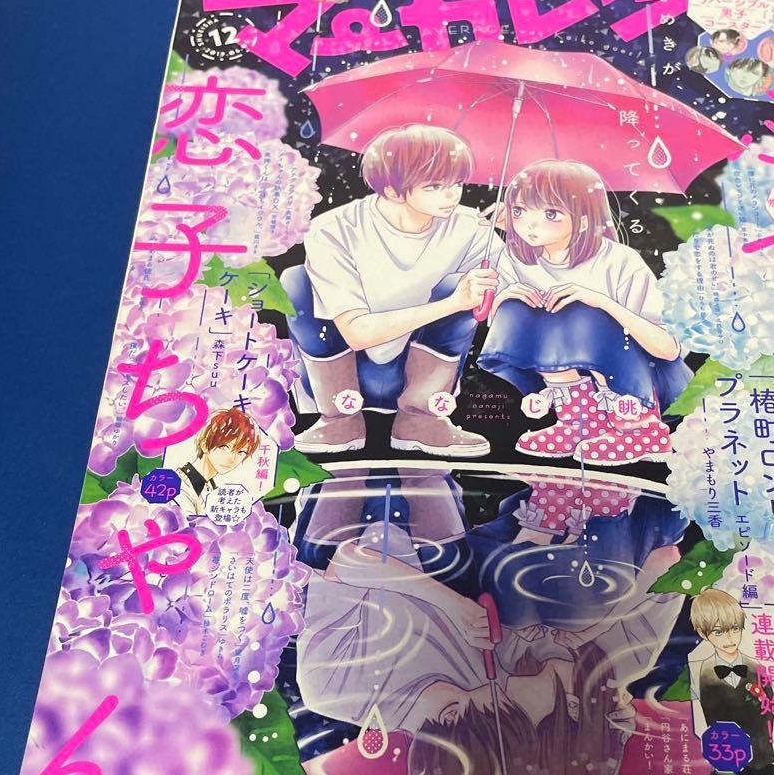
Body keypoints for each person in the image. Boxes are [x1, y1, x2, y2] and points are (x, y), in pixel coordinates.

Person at [292, 470, 539, 775]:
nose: (497, 695)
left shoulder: (330, 693)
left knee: (346, 473)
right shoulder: (487, 685)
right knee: (425, 481)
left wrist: (452, 605)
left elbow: (347, 561)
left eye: (493, 709)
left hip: (340, 560)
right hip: (434, 567)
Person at [282, 124, 499, 457]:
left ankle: (421, 420)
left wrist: (517, 237)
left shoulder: (471, 227)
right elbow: (357, 333)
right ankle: (338, 419)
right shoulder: (334, 230)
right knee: (295, 282)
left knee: (475, 283)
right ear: (393, 191)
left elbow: (516, 288)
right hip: (348, 374)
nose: (452, 196)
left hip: (421, 378)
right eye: (435, 186)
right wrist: (453, 303)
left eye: (456, 183)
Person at [477, 159, 690, 464]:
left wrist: (601, 302)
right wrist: (503, 297)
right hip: (575, 379)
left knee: (585, 312)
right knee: (518, 307)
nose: (530, 225)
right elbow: (499, 328)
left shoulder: (620, 261)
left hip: (642, 378)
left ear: (586, 220)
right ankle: (579, 420)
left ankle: (642, 429)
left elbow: (668, 349)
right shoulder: (514, 259)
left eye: (551, 213)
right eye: (520, 211)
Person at [687, 589, 774, 775]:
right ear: (703, 633)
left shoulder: (766, 670)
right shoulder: (696, 673)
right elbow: (688, 723)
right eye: (719, 632)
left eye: (735, 628)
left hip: (765, 771)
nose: (729, 638)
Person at [172, 408, 259, 518]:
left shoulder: (210, 487)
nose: (231, 459)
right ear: (204, 444)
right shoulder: (181, 487)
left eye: (241, 452)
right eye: (224, 447)